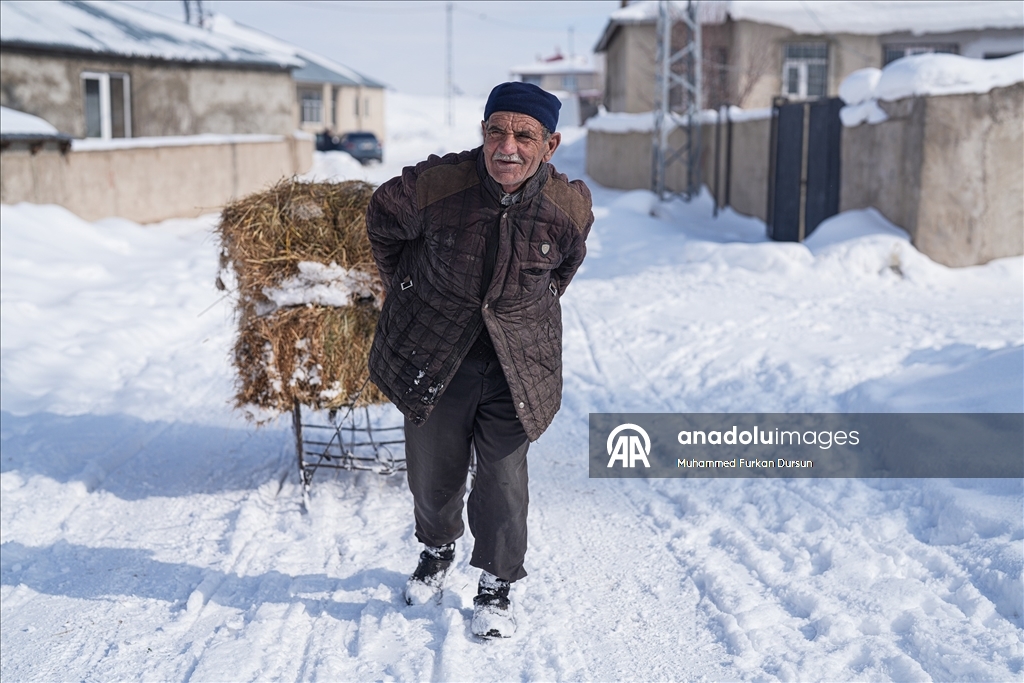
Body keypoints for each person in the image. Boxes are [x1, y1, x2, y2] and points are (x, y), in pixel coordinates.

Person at [365, 82, 593, 638]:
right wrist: (409, 288)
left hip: (518, 365)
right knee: (434, 474)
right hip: (436, 354)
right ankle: (437, 551)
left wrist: (521, 310)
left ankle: (496, 585)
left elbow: (565, 267)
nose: (506, 147)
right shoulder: (436, 185)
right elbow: (381, 222)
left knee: (503, 480)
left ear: (551, 144)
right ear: (483, 133)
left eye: (524, 135)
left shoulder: (567, 207)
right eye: (496, 131)